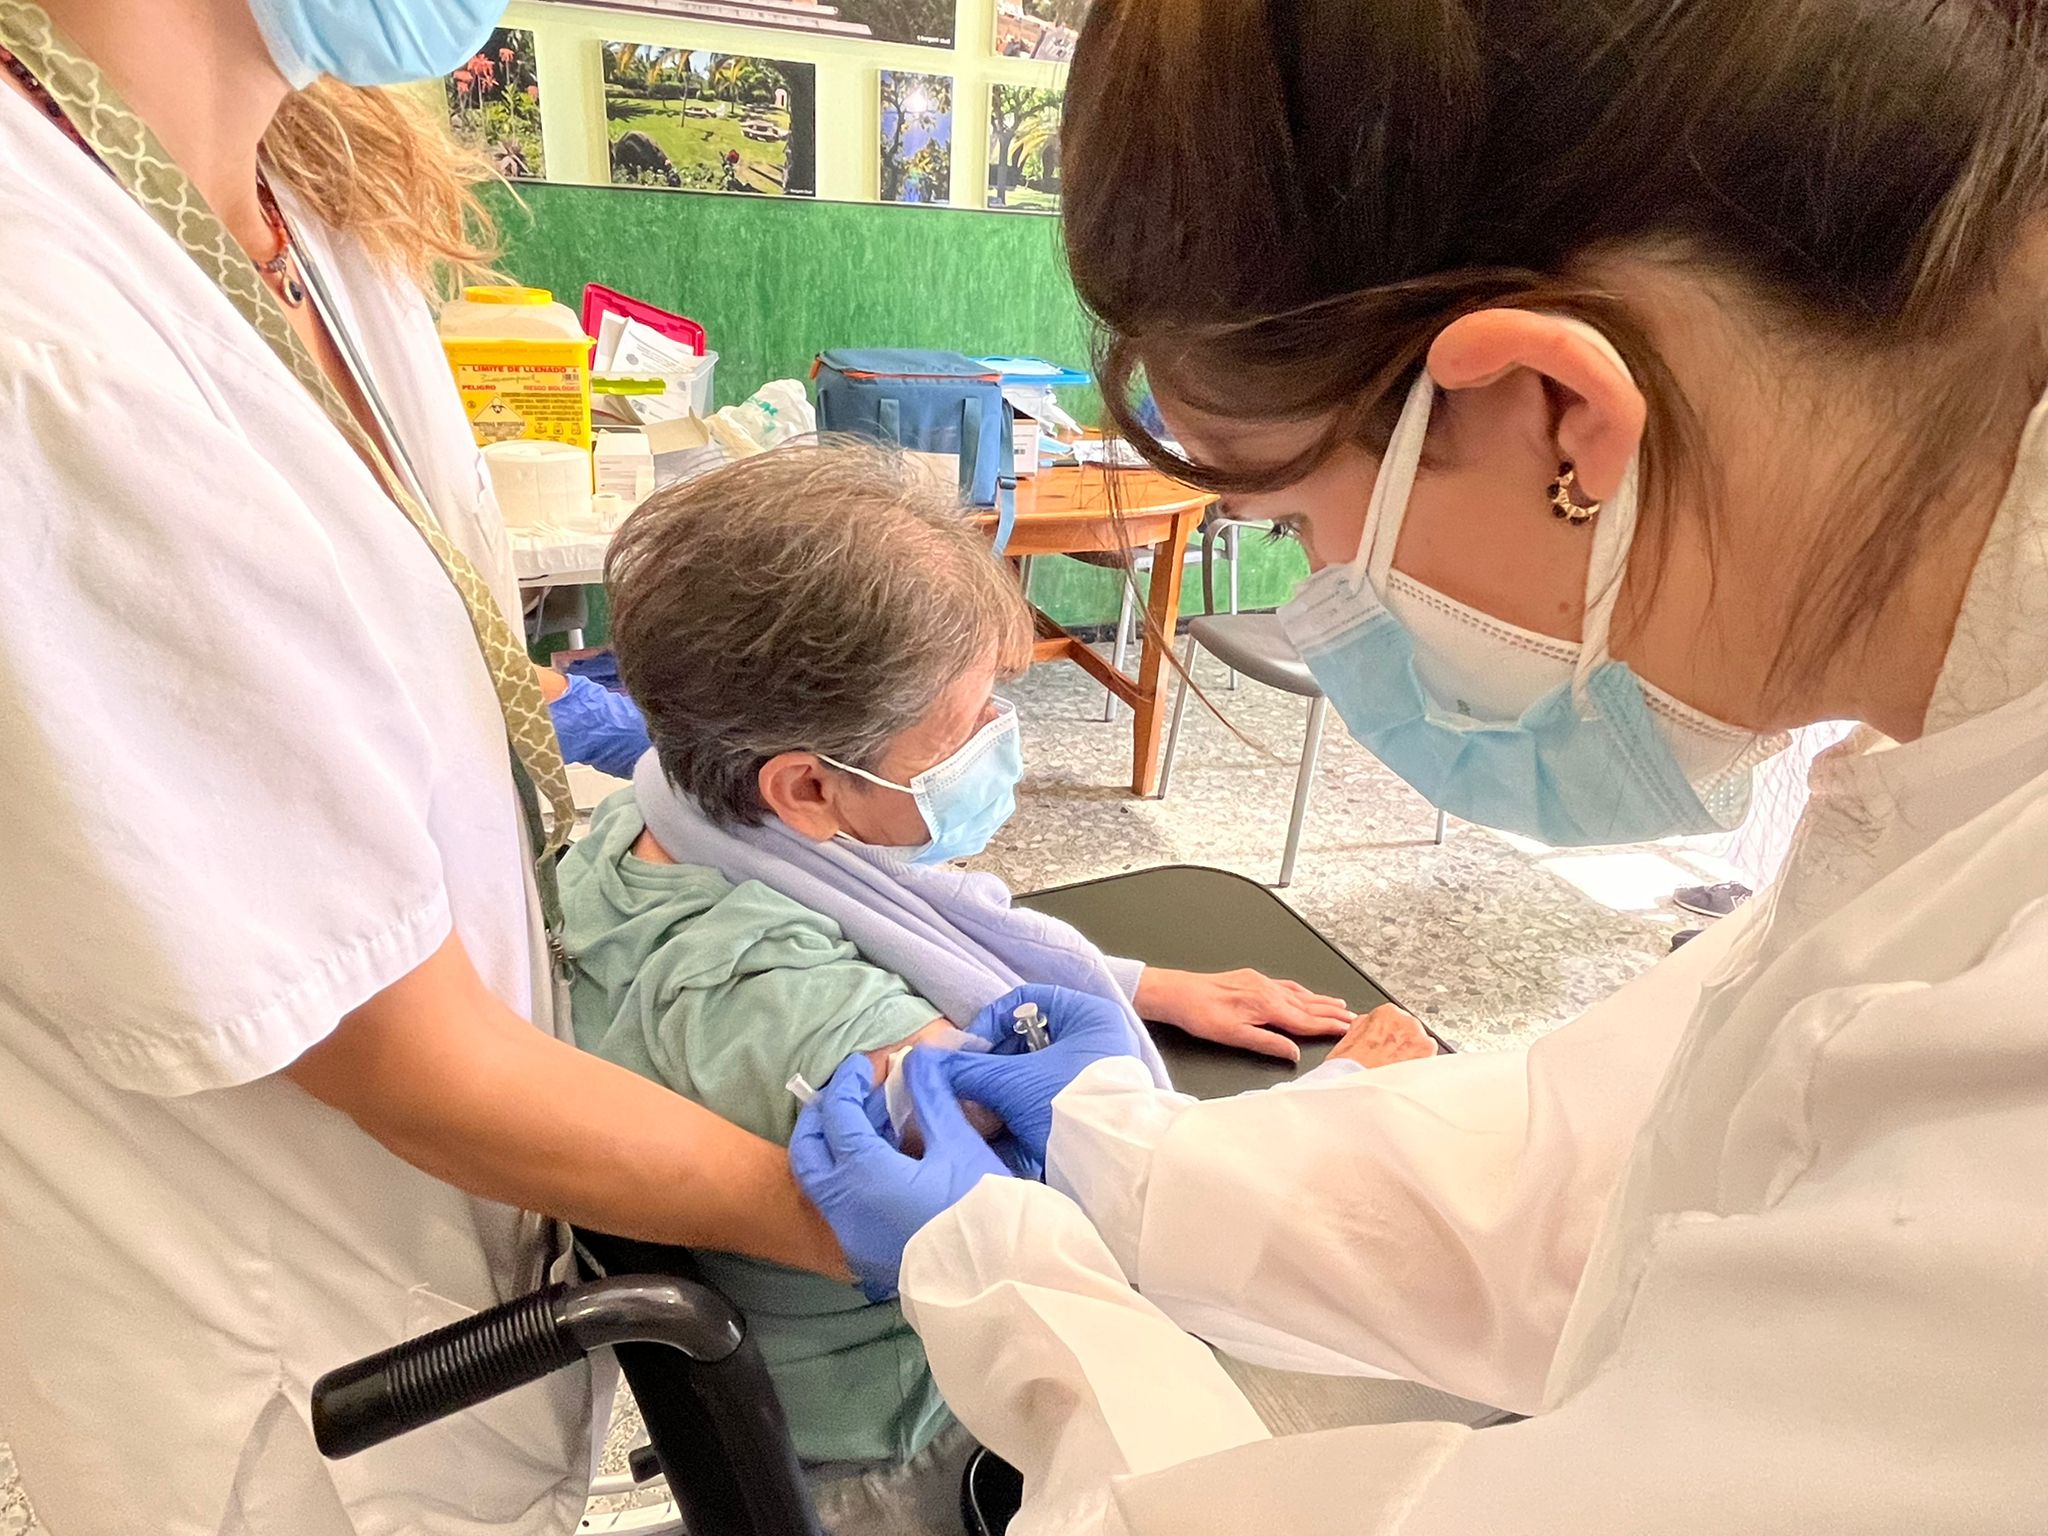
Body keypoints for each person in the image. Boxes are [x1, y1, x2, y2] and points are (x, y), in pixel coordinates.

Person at [790, 1, 2048, 1531]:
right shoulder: (1962, 774)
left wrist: (1024, 1306)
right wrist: (1131, 1170)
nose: (1328, 611)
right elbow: (1614, 1168)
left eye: (1308, 531)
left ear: (1562, 420)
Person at [0, 4, 847, 1532]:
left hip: (472, 1288)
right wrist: (907, 1226)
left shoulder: (312, 211)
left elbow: (408, 675)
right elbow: (407, 1061)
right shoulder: (49, 335)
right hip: (292, 1383)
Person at [557, 445, 1415, 1531]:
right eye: (966, 722)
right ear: (811, 785)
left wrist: (1142, 982)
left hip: (807, 1390)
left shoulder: (648, 825)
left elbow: (920, 914)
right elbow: (1100, 1222)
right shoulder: (804, 1013)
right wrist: (1330, 1110)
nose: (998, 738)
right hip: (911, 1449)